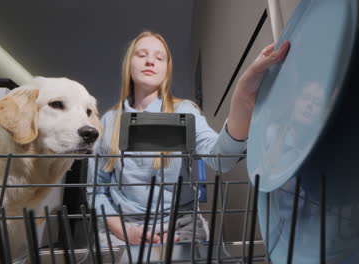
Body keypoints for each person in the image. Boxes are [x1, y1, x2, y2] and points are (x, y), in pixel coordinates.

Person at [87, 31, 290, 245]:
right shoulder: (108, 121)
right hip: (122, 230)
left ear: (167, 70)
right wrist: (124, 231)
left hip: (180, 225)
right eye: (141, 55)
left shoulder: (185, 112)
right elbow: (96, 191)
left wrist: (242, 97)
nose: (150, 61)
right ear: (129, 64)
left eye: (159, 58)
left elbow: (222, 158)